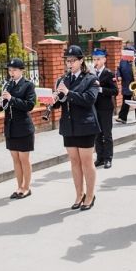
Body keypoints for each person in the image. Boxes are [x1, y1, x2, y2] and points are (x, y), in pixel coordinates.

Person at [52, 45, 101, 210]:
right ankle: (79, 194)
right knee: (74, 161)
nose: (70, 63)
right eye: (68, 60)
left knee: (86, 161)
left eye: (73, 60)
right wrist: (52, 101)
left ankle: (90, 194)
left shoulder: (90, 78)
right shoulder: (63, 79)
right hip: (69, 125)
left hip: (86, 125)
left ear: (81, 61)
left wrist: (68, 93)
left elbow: (89, 99)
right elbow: (60, 104)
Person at [0, 58, 37, 199]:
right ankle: (19, 186)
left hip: (23, 127)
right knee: (15, 158)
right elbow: (4, 105)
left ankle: (26, 187)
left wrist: (11, 99)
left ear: (22, 70)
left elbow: (29, 105)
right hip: (10, 127)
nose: (11, 72)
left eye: (14, 70)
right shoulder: (7, 85)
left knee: (24, 158)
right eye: (10, 70)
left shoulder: (28, 85)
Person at [92, 48, 118, 169]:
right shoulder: (92, 73)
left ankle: (108, 158)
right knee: (97, 134)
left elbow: (115, 91)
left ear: (104, 60)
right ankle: (100, 158)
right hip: (94, 107)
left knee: (107, 134)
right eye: (94, 59)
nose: (96, 61)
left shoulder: (109, 73)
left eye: (98, 59)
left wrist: (101, 89)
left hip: (106, 108)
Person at [116, 45, 136, 124]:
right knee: (126, 101)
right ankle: (122, 118)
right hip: (126, 84)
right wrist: (119, 76)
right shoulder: (122, 60)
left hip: (135, 84)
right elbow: (118, 69)